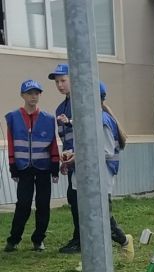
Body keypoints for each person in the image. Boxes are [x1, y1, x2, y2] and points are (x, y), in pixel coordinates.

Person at [62, 82, 134, 270]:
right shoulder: (89, 119)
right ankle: (90, 258)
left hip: (100, 177)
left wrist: (77, 158)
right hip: (86, 176)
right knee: (89, 219)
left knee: (101, 219)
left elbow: (105, 151)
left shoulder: (102, 121)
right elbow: (86, 147)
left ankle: (124, 241)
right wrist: (72, 155)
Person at [4, 80, 60, 252]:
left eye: (36, 93)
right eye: (29, 93)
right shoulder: (13, 117)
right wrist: (12, 166)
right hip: (23, 169)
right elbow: (11, 143)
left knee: (43, 205)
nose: (33, 97)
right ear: (22, 95)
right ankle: (13, 240)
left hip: (43, 168)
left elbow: (53, 144)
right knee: (23, 205)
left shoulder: (49, 119)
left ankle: (38, 239)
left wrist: (55, 167)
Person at [47, 63, 82, 254]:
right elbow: (66, 137)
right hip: (72, 162)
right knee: (73, 198)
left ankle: (111, 235)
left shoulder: (82, 102)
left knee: (82, 199)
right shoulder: (61, 107)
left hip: (85, 161)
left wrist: (70, 122)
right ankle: (79, 237)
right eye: (57, 82)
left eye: (63, 80)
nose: (60, 85)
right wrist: (66, 155)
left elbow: (88, 129)